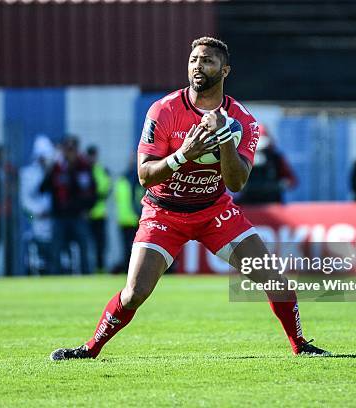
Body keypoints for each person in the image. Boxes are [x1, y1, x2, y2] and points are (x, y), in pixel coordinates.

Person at [51, 37, 330, 360]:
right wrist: (183, 155)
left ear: (225, 70)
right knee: (135, 293)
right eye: (194, 59)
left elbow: (237, 182)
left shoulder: (244, 121)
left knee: (276, 280)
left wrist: (225, 137)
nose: (198, 66)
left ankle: (300, 346)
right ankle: (89, 349)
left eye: (208, 61)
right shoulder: (164, 110)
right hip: (163, 212)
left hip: (214, 212)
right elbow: (144, 175)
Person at [40, 137, 97, 275]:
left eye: (73, 149)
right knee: (56, 249)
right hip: (60, 217)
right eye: (68, 149)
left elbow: (93, 192)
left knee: (84, 248)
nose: (70, 153)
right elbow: (42, 188)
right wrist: (50, 168)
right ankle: (55, 277)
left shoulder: (84, 167)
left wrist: (87, 209)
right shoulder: (57, 168)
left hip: (78, 216)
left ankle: (87, 275)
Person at [235, 124, 297, 204]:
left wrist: (279, 185)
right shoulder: (243, 158)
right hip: (248, 204)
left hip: (272, 203)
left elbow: (291, 180)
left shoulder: (276, 158)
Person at [20, 135, 55, 274]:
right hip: (35, 220)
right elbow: (25, 199)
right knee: (36, 252)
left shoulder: (55, 173)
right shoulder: (27, 174)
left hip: (53, 220)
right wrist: (38, 212)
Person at [111, 153, 144, 274]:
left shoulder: (127, 179)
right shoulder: (130, 179)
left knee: (131, 249)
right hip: (129, 220)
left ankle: (131, 271)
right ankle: (131, 271)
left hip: (131, 219)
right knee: (130, 249)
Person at [87, 145, 112, 273]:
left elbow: (105, 190)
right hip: (87, 214)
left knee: (100, 244)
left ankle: (100, 268)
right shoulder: (87, 170)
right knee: (88, 244)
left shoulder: (100, 170)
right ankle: (89, 268)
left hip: (99, 213)